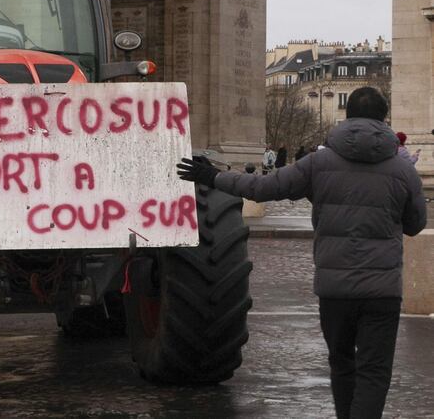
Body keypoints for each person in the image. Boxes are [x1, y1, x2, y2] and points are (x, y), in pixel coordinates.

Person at [177, 87, 426, 419]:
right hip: (382, 290)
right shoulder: (402, 169)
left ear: (348, 115)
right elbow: (415, 224)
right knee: (374, 371)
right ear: (385, 118)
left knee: (342, 363)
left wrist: (214, 176)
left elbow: (263, 188)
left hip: (334, 288)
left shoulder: (319, 163)